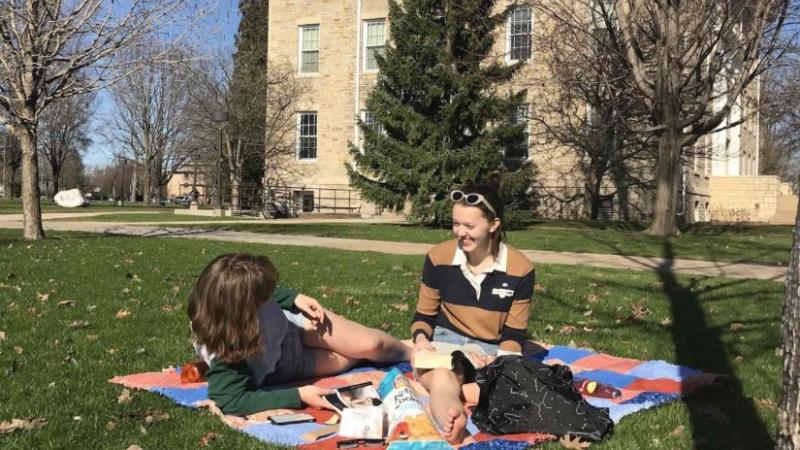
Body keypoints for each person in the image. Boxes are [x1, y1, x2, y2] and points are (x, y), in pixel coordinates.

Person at [188, 253, 413, 416]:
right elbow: (230, 400)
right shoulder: (225, 349)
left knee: (371, 344)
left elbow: (259, 288)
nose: (266, 297)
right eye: (261, 298)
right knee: (353, 358)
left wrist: (293, 298)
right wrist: (299, 395)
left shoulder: (226, 295)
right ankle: (402, 349)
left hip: (292, 326)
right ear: (243, 312)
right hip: (285, 364)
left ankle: (412, 351)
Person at [411, 183, 535, 443]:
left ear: (493, 224)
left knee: (519, 384)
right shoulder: (438, 257)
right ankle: (453, 416)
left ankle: (457, 392)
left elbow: (513, 334)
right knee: (443, 375)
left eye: (469, 226)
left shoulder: (521, 269)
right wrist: (421, 340)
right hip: (445, 343)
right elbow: (423, 316)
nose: (460, 233)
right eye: (456, 224)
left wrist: (498, 361)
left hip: (489, 351)